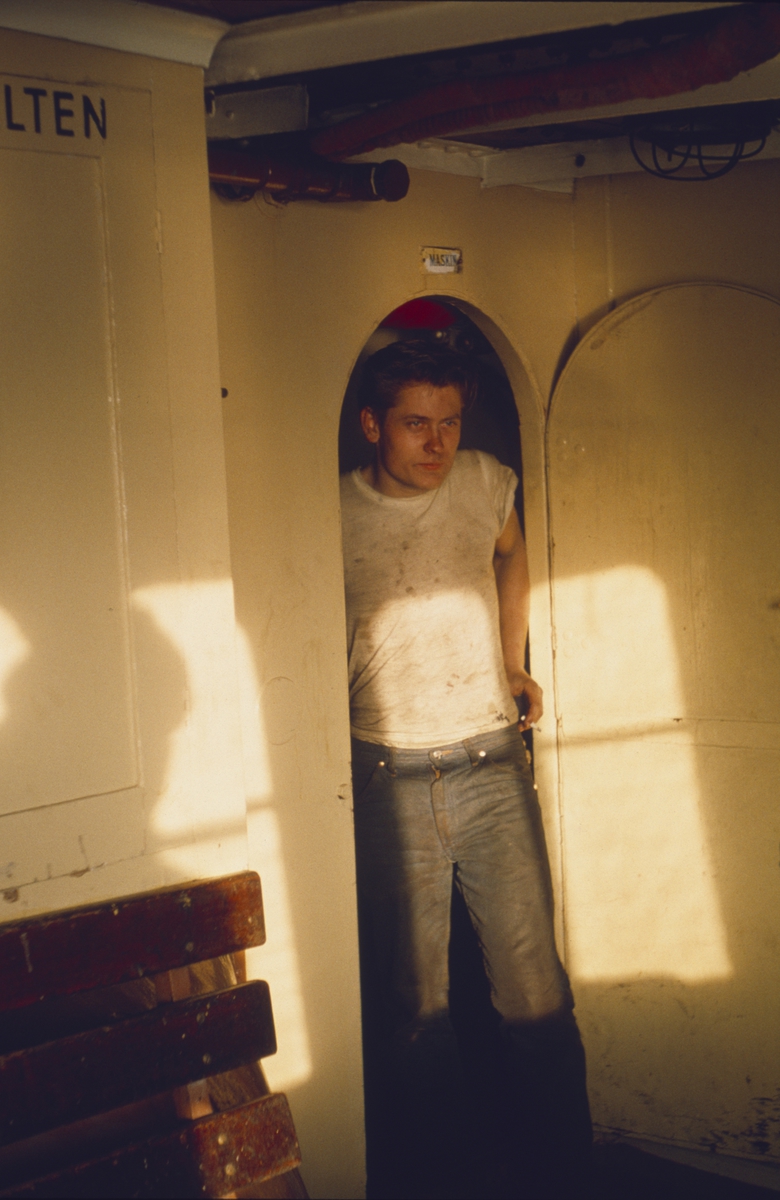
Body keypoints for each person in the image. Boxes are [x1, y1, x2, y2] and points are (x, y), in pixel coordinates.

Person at [340, 340, 592, 1199]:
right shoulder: (328, 510)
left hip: (490, 764)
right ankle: (442, 1179)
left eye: (449, 422)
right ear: (373, 424)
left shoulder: (485, 480)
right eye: (416, 423)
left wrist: (512, 659)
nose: (437, 443)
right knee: (414, 1014)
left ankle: (565, 1178)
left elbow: (512, 549)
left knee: (536, 1000)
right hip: (385, 775)